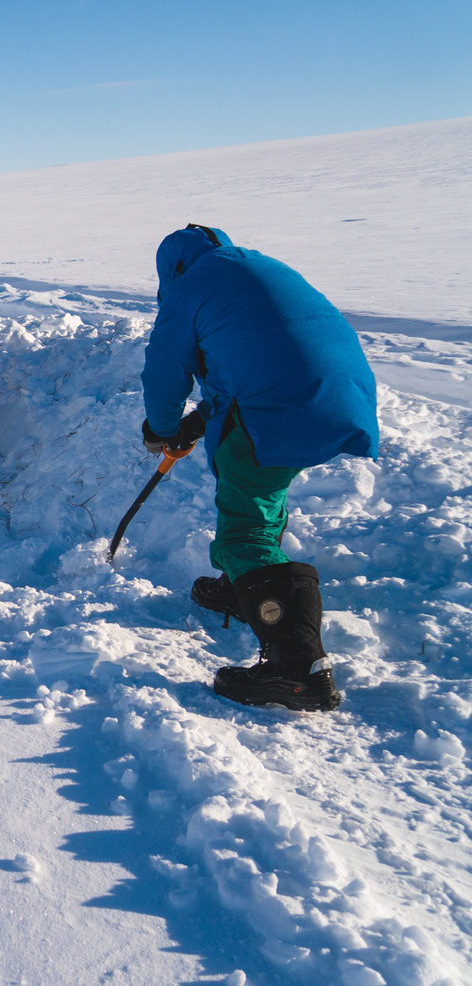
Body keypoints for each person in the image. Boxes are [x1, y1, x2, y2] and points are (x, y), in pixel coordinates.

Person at [141, 225, 379, 712]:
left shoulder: (188, 286)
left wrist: (161, 428)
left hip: (274, 403)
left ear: (172, 268)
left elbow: (164, 369)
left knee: (242, 527)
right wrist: (198, 422)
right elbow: (251, 357)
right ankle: (245, 590)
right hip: (340, 395)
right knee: (260, 490)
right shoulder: (256, 269)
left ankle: (298, 671)